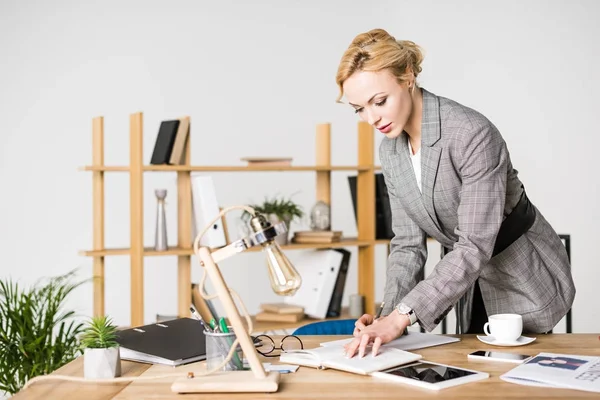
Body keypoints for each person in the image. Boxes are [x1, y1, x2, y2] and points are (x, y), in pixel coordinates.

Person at [335, 29, 576, 358]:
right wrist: (386, 317)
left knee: (513, 380)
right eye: (358, 109)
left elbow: (475, 244)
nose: (371, 118)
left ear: (407, 77)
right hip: (464, 281)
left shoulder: (470, 133)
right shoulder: (391, 152)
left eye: (379, 101)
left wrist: (402, 317)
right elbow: (407, 245)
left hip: (519, 273)